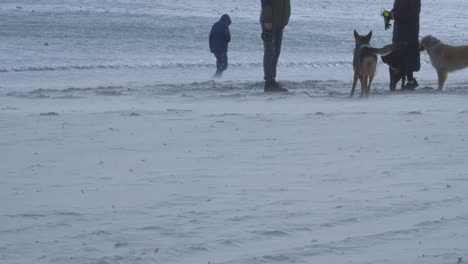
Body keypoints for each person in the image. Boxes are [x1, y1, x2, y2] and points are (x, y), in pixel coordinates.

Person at [384, 0, 421, 90]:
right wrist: (388, 16)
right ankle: (405, 81)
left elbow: (411, 14)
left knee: (408, 56)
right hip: (399, 31)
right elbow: (396, 10)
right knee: (399, 55)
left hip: (409, 31)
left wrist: (392, 15)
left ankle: (410, 82)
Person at [260, 0, 290, 92]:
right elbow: (265, 2)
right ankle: (269, 83)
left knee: (276, 52)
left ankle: (272, 81)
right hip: (270, 22)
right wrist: (267, 19)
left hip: (279, 24)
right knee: (270, 52)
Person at [209, 14, 232, 79]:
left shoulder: (215, 24)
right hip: (222, 49)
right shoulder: (225, 25)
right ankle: (216, 75)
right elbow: (228, 37)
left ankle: (218, 78)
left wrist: (210, 47)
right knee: (224, 65)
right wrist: (228, 40)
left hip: (214, 48)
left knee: (219, 62)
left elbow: (210, 36)